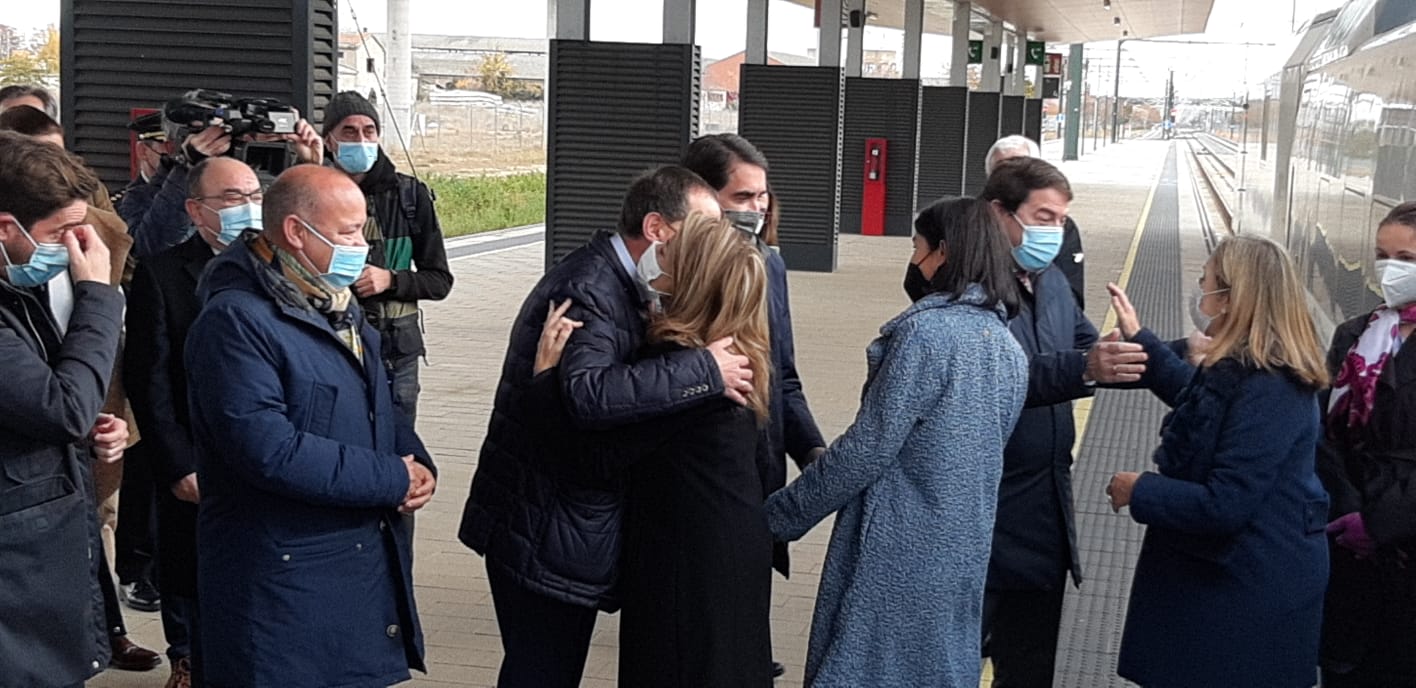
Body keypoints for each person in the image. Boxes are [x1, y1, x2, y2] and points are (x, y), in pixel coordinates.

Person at [458, 166, 755, 688]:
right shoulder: (590, 287)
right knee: (542, 670)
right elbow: (589, 395)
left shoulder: (625, 282)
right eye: (701, 232)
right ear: (659, 228)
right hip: (545, 525)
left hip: (559, 522)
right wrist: (704, 370)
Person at [184, 165, 436, 686]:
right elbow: (266, 449)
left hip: (350, 563)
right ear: (297, 232)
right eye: (347, 233)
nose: (361, 248)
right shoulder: (236, 321)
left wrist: (417, 461)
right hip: (283, 576)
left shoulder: (336, 305)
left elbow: (374, 399)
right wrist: (391, 476)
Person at [765, 196, 1028, 686]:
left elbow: (867, 449)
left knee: (863, 666)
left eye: (917, 247)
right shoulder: (1009, 348)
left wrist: (776, 519)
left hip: (895, 554)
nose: (913, 259)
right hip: (962, 550)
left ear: (942, 254)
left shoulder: (925, 338)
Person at [532, 212, 777, 687]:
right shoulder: (738, 354)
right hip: (731, 560)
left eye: (666, 255)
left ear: (689, 280)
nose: (654, 258)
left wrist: (545, 379)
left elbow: (589, 458)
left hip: (683, 575)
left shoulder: (684, 370)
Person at [1105, 234, 1330, 687]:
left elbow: (1227, 503)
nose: (1199, 293)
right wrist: (1141, 340)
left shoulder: (1271, 384)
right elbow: (1200, 404)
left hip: (1243, 591)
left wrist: (1139, 489)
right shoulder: (1243, 367)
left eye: (1206, 282)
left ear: (1233, 297)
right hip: (1222, 577)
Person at [0, 103, 162, 671]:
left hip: (42, 560)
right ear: (5, 228)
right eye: (63, 233)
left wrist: (90, 433)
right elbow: (60, 406)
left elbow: (50, 400)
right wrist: (99, 293)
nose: (76, 249)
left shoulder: (18, 289)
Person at [978, 156, 1147, 688]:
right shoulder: (972, 291)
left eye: (1061, 220)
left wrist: (1133, 351)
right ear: (999, 213)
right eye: (1044, 217)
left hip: (1044, 503)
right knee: (962, 652)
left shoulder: (1049, 283)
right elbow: (992, 380)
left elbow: (1081, 346)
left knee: (1030, 661)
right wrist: (1085, 366)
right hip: (983, 505)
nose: (1055, 231)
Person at [125, 156, 263, 688]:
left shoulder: (274, 266)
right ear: (195, 209)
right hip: (193, 456)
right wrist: (176, 463)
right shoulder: (162, 274)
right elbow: (149, 379)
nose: (245, 208)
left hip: (257, 452)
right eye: (230, 198)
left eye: (253, 195)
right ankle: (188, 658)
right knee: (191, 571)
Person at [1317, 202, 1416, 687]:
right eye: (1382, 255)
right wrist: (1348, 506)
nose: (1391, 268)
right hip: (1345, 541)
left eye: (1407, 258)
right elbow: (1324, 430)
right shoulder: (1354, 333)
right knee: (1342, 666)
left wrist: (1379, 522)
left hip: (1404, 547)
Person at [321, 90, 453, 424]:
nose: (361, 139)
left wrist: (390, 280)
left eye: (369, 130)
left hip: (397, 352)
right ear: (329, 140)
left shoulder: (410, 195)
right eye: (348, 131)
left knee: (399, 445)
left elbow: (439, 281)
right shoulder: (312, 193)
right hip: (330, 345)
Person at [120, 93, 324, 259]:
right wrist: (188, 166)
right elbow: (152, 247)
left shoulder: (257, 184)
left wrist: (308, 167)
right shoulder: (143, 197)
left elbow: (308, 235)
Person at [985, 134, 1085, 308]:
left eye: (1020, 167)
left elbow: (1072, 309)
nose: (1010, 177)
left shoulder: (1063, 233)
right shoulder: (965, 232)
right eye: (1002, 170)